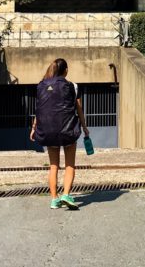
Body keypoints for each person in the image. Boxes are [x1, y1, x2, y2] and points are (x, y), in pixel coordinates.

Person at [30, 57, 90, 210]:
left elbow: (40, 109)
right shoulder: (73, 86)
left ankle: (54, 199)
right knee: (70, 165)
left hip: (48, 130)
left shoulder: (41, 85)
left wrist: (34, 128)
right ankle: (66, 194)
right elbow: (79, 110)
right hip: (67, 130)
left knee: (53, 166)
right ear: (66, 70)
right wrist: (84, 128)